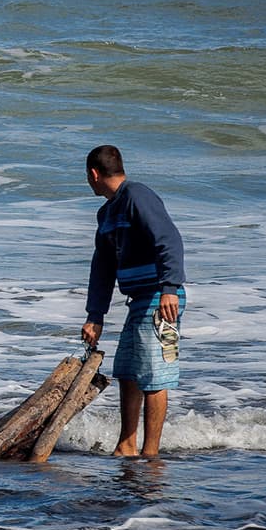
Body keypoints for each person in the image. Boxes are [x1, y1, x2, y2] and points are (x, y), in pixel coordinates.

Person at [79, 145, 186, 458]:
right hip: (138, 299)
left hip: (160, 297)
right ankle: (126, 445)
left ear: (94, 174)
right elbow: (103, 267)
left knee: (154, 376)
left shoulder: (137, 196)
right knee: (127, 372)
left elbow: (169, 238)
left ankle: (150, 453)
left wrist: (169, 287)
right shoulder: (108, 213)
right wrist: (95, 315)